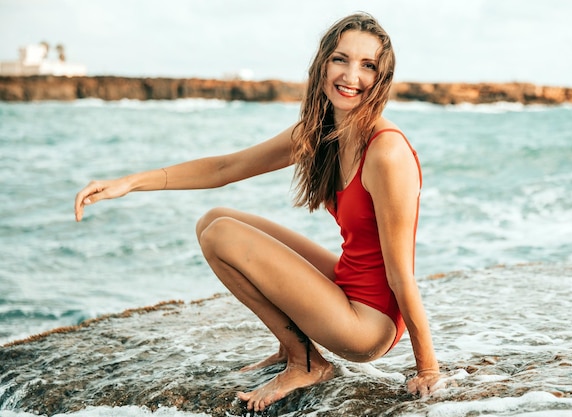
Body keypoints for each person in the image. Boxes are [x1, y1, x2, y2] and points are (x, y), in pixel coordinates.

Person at [74, 12, 440, 412]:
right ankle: (292, 348)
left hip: (368, 325)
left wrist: (427, 367)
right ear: (322, 65)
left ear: (381, 78)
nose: (351, 75)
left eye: (367, 65)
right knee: (213, 219)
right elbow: (225, 168)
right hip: (347, 287)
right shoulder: (320, 133)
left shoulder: (386, 152)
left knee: (222, 235)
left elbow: (401, 272)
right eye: (341, 59)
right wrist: (128, 183)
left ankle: (307, 363)